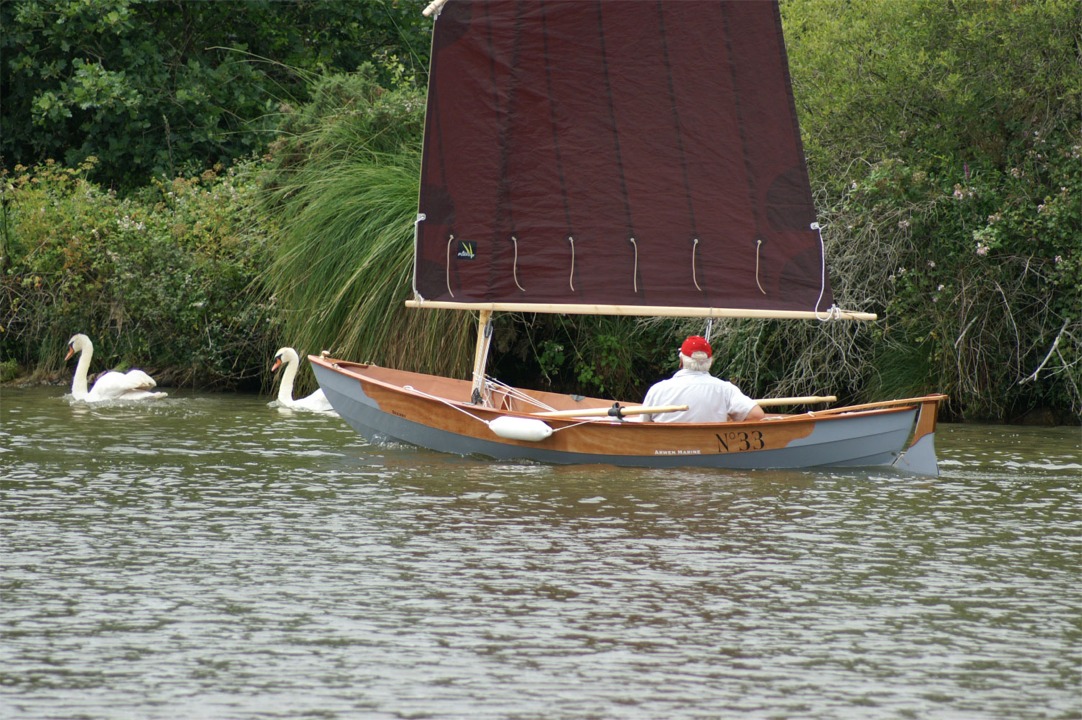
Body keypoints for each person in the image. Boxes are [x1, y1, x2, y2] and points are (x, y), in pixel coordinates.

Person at [640, 335, 765, 423]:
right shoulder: (726, 389)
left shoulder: (657, 390)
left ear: (681, 361)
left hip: (665, 451)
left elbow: (643, 425)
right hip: (713, 450)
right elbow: (757, 415)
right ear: (710, 362)